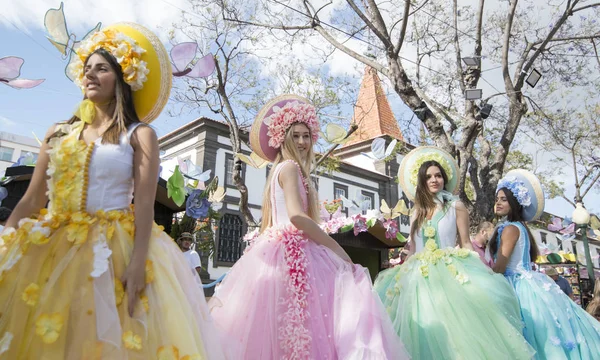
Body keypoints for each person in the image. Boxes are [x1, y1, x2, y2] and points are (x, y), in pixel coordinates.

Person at [0, 23, 227, 359]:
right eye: (87, 68)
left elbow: (146, 206)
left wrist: (137, 265)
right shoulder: (57, 133)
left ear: (123, 78)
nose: (90, 75)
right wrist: (6, 244)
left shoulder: (139, 135)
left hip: (112, 251)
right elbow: (33, 198)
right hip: (49, 248)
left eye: (102, 68)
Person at [209, 95, 408, 359]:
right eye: (296, 136)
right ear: (284, 137)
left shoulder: (280, 170)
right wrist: (335, 246)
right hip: (293, 252)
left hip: (275, 251)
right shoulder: (290, 168)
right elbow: (296, 217)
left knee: (284, 325)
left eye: (306, 136)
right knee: (306, 318)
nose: (302, 142)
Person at [374, 147, 534, 360]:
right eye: (429, 176)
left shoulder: (456, 206)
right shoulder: (416, 212)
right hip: (416, 277)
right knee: (417, 327)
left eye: (438, 175)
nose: (434, 180)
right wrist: (400, 272)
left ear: (444, 179)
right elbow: (412, 249)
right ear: (421, 181)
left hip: (448, 273)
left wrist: (482, 271)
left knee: (456, 330)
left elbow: (466, 242)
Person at [491, 169, 600, 359]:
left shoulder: (509, 229)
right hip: (531, 284)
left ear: (515, 203)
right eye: (497, 199)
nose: (498, 203)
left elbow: (500, 267)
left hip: (514, 285)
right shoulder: (520, 228)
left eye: (504, 199)